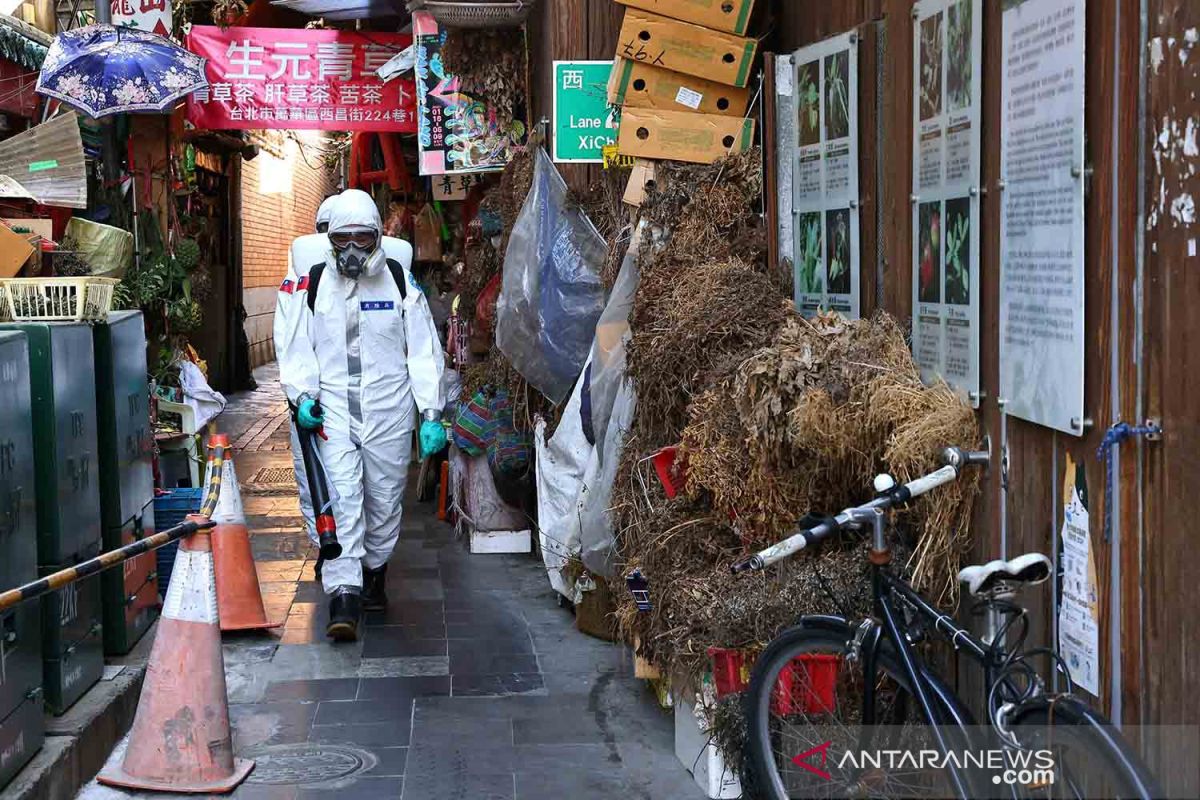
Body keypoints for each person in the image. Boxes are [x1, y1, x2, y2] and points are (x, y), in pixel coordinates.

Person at [276, 189, 446, 641]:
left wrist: (431, 411)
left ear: (377, 238)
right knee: (343, 496)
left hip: (388, 409)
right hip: (331, 408)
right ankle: (344, 594)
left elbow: (424, 349)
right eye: (343, 239)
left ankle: (374, 574)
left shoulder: (398, 279)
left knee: (384, 499)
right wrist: (302, 395)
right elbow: (294, 345)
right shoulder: (310, 281)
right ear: (331, 239)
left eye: (362, 239)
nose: (352, 250)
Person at [275, 194, 342, 568]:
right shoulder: (298, 282)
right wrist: (299, 395)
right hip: (309, 402)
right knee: (311, 473)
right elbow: (286, 340)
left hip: (352, 398)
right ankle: (324, 544)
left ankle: (360, 554)